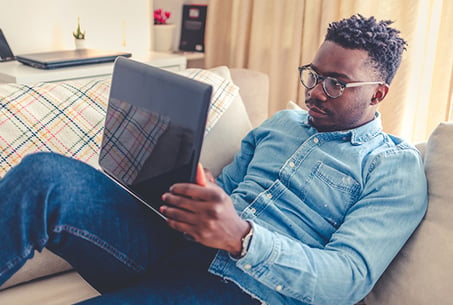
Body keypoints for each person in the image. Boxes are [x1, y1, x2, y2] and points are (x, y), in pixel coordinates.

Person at [0, 14, 427, 305]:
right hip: (181, 248)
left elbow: (348, 279)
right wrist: (190, 191)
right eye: (313, 75)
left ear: (377, 92)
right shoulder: (281, 124)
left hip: (244, 290)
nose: (315, 91)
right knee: (46, 173)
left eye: (336, 84)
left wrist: (242, 238)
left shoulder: (393, 167)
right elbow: (225, 190)